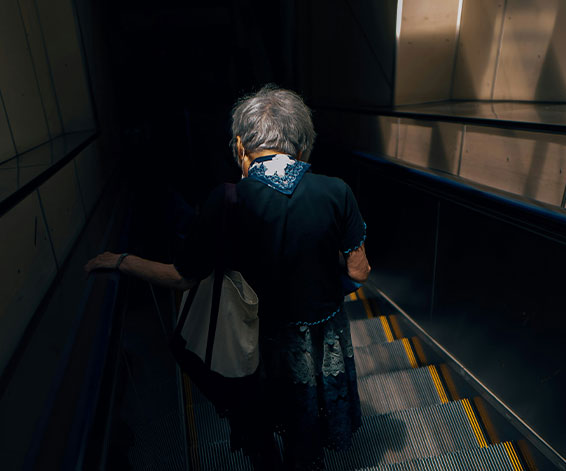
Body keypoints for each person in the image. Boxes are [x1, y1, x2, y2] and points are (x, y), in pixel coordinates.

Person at [86, 84, 370, 470]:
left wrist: (122, 261)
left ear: (240, 147)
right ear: (302, 146)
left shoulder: (226, 200)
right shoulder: (337, 191)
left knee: (261, 422)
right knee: (307, 422)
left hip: (253, 342)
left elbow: (182, 277)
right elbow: (358, 270)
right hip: (317, 341)